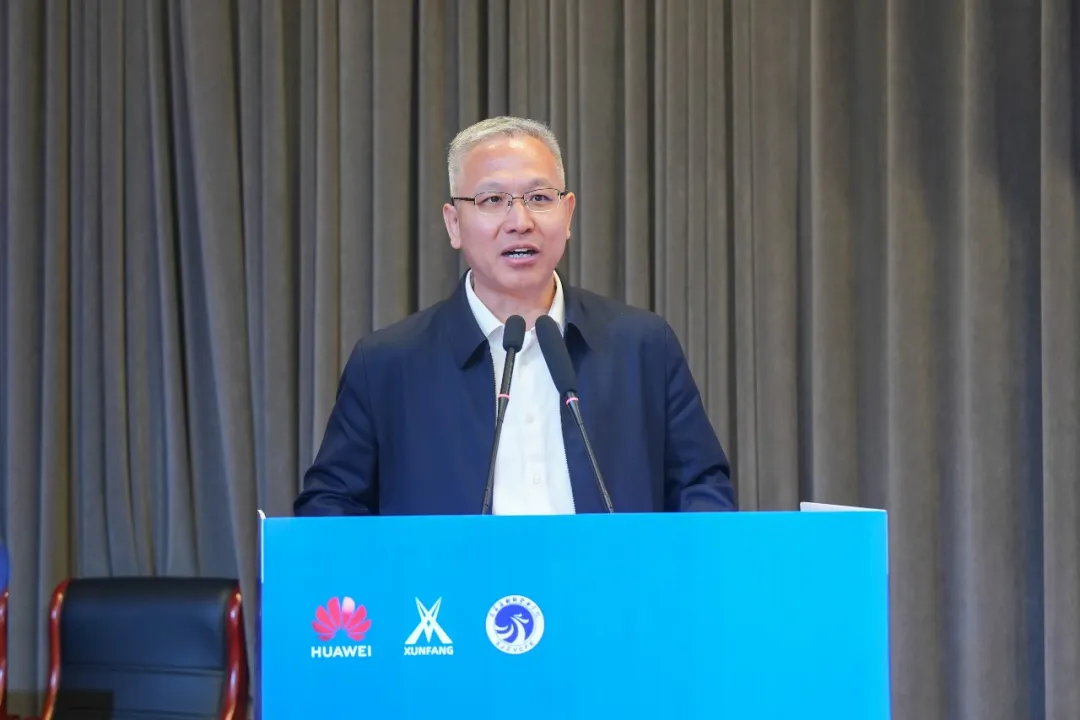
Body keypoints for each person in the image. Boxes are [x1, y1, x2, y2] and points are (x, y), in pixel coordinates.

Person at [294, 116, 736, 516]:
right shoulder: (387, 364)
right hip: (453, 584)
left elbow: (702, 488)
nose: (520, 221)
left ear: (568, 213)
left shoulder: (642, 345)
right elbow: (329, 508)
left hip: (612, 582)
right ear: (453, 223)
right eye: (492, 200)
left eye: (539, 197)